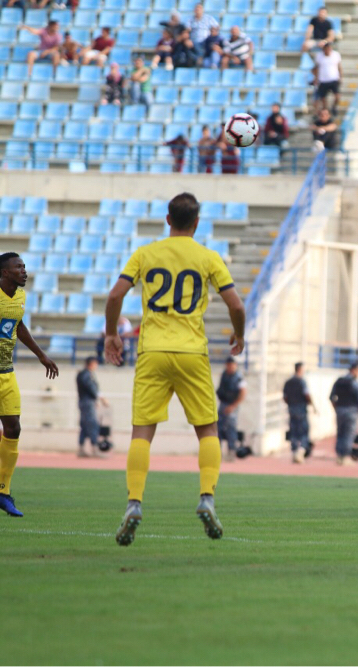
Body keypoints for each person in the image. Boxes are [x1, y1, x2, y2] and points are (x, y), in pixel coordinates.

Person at [105, 193, 246, 546]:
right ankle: (206, 497)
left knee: (142, 433)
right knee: (208, 429)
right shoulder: (208, 257)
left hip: (152, 351)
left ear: (168, 219)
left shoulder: (145, 254)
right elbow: (236, 305)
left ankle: (134, 503)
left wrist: (111, 335)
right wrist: (239, 334)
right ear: (196, 223)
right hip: (191, 351)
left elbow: (114, 296)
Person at [0, 253, 60, 517]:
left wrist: (41, 355)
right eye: (18, 267)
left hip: (6, 372)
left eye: (24, 266)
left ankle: (3, 492)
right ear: (4, 272)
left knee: (13, 428)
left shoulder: (20, 297)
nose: (24, 271)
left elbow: (18, 325)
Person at [330, 362, 358, 465]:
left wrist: (337, 409)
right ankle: (345, 456)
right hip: (351, 411)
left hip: (340, 410)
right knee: (349, 434)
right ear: (354, 370)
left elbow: (331, 397)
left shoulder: (339, 381)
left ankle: (339, 456)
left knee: (340, 433)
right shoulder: (354, 383)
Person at [76, 356, 108, 458]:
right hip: (87, 402)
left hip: (85, 401)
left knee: (85, 425)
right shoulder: (86, 375)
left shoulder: (82, 374)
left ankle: (81, 448)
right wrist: (100, 398)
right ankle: (95, 448)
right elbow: (91, 388)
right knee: (92, 424)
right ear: (92, 363)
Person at [215, 356, 246, 462]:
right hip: (223, 404)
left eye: (232, 365)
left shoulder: (239, 377)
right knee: (218, 428)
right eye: (228, 365)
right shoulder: (224, 374)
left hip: (232, 405)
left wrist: (233, 406)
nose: (230, 367)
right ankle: (217, 451)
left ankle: (231, 451)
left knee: (230, 428)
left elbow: (243, 393)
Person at [283, 362, 314, 463]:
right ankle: (301, 451)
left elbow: (285, 397)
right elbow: (307, 394)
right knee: (303, 431)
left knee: (293, 431)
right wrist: (312, 405)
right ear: (300, 369)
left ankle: (294, 451)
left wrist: (291, 404)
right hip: (301, 409)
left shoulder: (288, 382)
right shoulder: (302, 382)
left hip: (292, 409)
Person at [312, 41, 342, 113]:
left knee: (337, 96)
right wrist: (316, 78)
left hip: (334, 79)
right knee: (323, 99)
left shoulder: (336, 55)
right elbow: (316, 68)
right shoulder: (319, 56)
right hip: (323, 80)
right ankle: (326, 111)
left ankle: (334, 107)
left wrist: (340, 77)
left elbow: (339, 67)